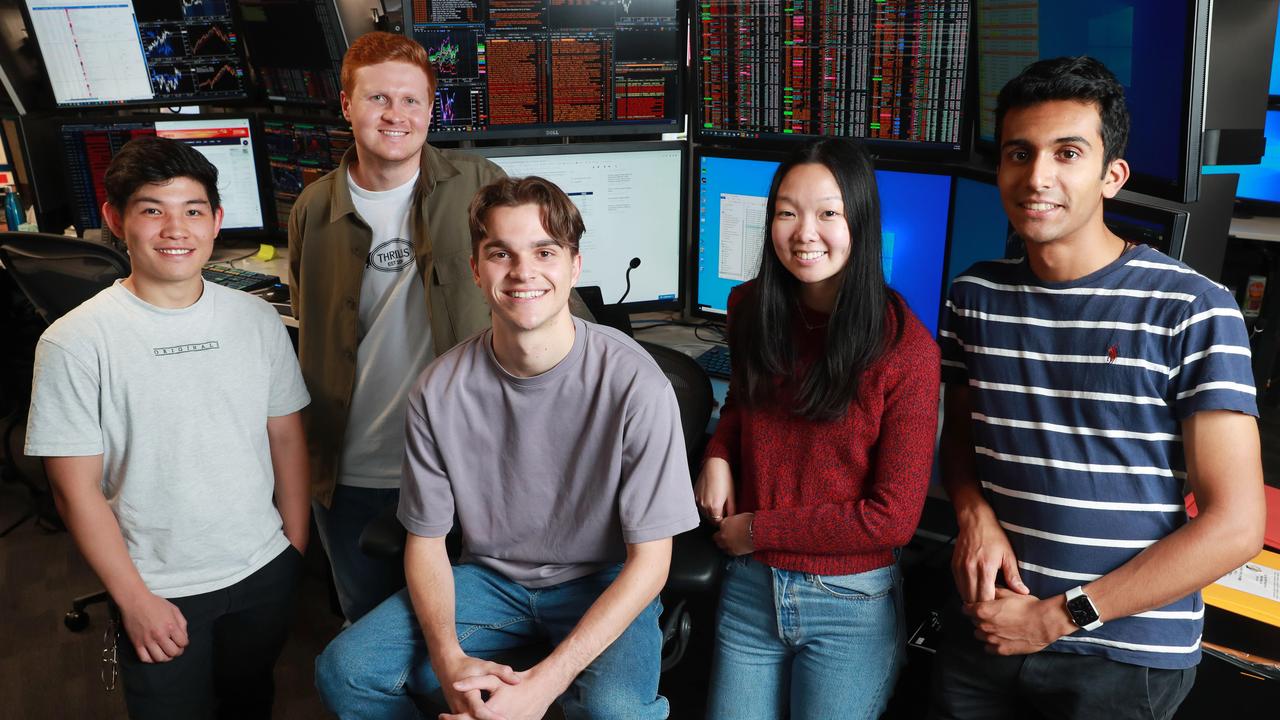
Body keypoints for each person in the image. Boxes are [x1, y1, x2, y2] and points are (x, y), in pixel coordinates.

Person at [930, 56, 1266, 720]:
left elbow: (1237, 526)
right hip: (990, 628)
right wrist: (972, 515)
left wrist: (1058, 617)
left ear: (1112, 176)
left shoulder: (1194, 308)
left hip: (1122, 657)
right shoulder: (973, 297)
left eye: (1068, 153)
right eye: (1020, 154)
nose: (1037, 177)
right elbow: (964, 438)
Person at [314, 175, 699, 719]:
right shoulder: (438, 389)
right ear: (476, 268)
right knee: (346, 670)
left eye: (544, 251)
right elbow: (425, 542)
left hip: (603, 579)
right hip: (491, 579)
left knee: (617, 711)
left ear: (574, 266)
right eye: (501, 253)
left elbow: (652, 563)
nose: (523, 272)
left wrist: (544, 686)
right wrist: (448, 661)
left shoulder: (637, 384)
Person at [25, 136, 311, 719]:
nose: (176, 229)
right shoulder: (76, 342)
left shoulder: (257, 319)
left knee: (250, 700)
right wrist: (132, 599)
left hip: (263, 569)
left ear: (217, 221)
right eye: (153, 210)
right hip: (158, 585)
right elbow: (73, 489)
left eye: (193, 211)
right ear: (115, 219)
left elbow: (286, 437)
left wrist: (294, 550)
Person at [695, 138, 942, 718]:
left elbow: (894, 519)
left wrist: (758, 529)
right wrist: (718, 452)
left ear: (860, 221)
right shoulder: (751, 306)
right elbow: (743, 404)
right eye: (787, 211)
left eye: (828, 213)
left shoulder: (905, 349)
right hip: (753, 588)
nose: (805, 233)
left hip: (847, 600)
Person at [287, 31, 506, 622]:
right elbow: (309, 322)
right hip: (353, 465)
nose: (395, 116)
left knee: (468, 629)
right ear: (347, 106)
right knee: (369, 626)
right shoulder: (312, 208)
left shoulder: (479, 182)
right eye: (378, 98)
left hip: (465, 459)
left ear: (431, 111)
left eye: (412, 101)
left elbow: (535, 286)